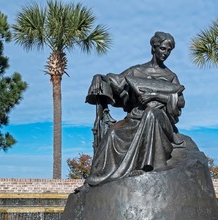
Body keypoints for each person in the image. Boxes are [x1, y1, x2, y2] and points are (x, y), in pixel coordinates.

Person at [76, 31, 186, 193]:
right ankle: (94, 182)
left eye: (169, 50)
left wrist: (155, 95)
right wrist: (98, 77)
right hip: (134, 119)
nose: (166, 53)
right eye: (163, 49)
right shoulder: (136, 71)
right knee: (113, 134)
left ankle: (146, 166)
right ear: (154, 48)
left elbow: (180, 101)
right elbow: (114, 82)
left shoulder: (170, 76)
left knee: (151, 114)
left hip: (159, 120)